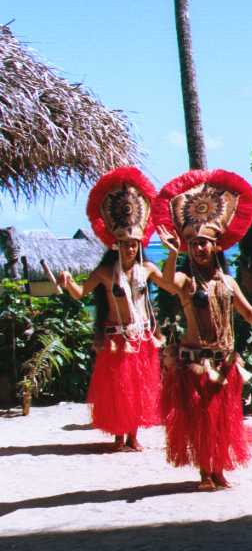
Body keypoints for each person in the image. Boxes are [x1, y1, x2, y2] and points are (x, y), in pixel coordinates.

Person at [154, 169, 252, 491]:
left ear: (216, 247)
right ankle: (205, 474)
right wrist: (172, 253)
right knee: (201, 419)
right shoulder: (186, 282)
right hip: (196, 362)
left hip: (225, 363)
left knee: (222, 419)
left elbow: (251, 316)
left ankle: (219, 470)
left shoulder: (228, 283)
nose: (200, 249)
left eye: (205, 244)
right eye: (195, 244)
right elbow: (167, 283)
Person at [54, 167, 168, 452]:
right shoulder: (105, 273)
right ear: (116, 245)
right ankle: (119, 436)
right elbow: (81, 292)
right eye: (125, 245)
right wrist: (68, 282)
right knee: (119, 388)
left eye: (134, 245)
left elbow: (170, 284)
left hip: (141, 336)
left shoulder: (147, 268)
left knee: (138, 387)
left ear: (139, 245)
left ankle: (133, 436)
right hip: (116, 338)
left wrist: (175, 252)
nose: (130, 249)